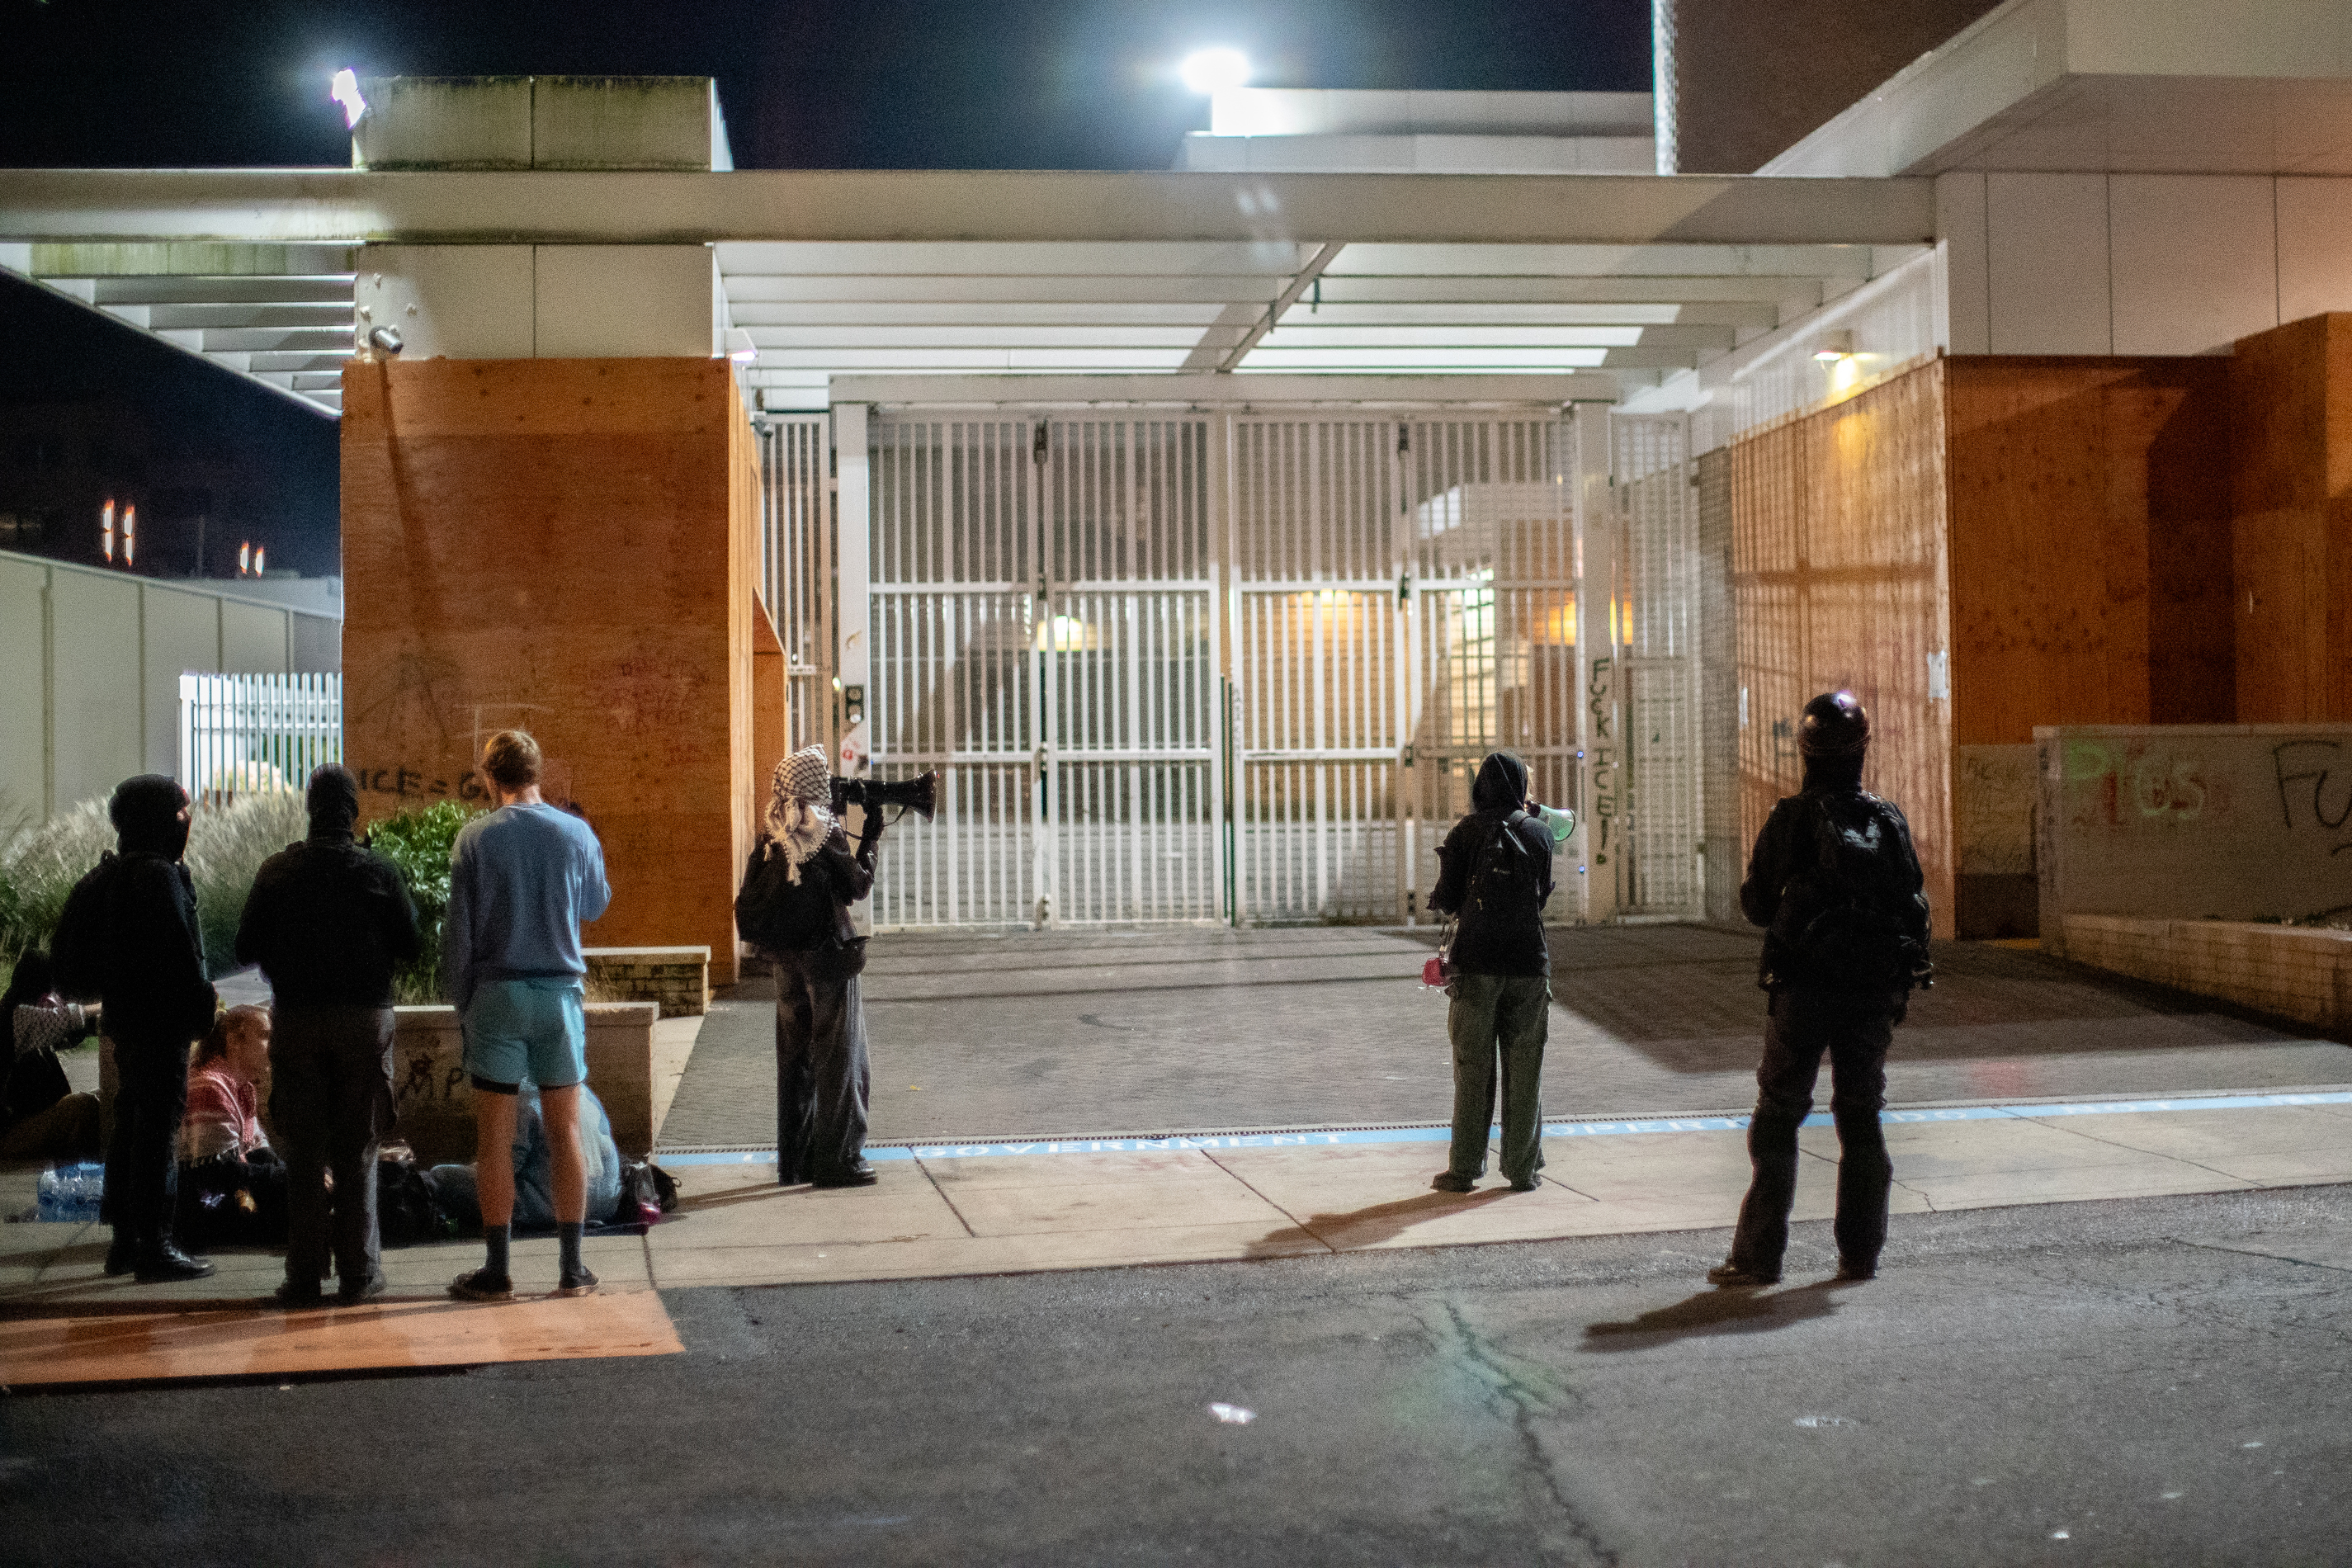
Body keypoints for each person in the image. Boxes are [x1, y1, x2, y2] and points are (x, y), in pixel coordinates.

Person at [1710, 690, 1932, 1289]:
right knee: (1861, 1115)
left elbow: (1757, 906)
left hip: (1804, 989)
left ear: (1805, 751)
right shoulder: (1888, 820)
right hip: (1871, 993)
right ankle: (1860, 1255)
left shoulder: (1792, 818)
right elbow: (1912, 898)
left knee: (1778, 1116)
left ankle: (1759, 1257)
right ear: (1862, 750)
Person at [234, 763, 422, 1306]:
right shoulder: (378, 871)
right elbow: (410, 944)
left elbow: (246, 948)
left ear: (310, 810)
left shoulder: (277, 871)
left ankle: (304, 1275)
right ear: (353, 812)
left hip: (296, 1019)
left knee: (303, 1151)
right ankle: (360, 1274)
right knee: (358, 1147)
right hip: (365, 1020)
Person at [443, 730, 611, 1301]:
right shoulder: (575, 833)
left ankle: (498, 1268)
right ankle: (572, 1267)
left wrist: (463, 1003)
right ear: (540, 774)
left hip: (497, 995)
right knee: (565, 1131)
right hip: (559, 996)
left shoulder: (475, 840)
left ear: (490, 777)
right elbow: (594, 905)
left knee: (495, 1138)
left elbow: (458, 938)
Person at [50, 775, 219, 1282]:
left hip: (125, 1022)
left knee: (131, 1123)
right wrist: (202, 1009)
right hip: (159, 1022)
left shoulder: (114, 875)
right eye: (180, 811)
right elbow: (183, 958)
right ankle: (156, 1244)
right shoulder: (159, 878)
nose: (186, 821)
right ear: (160, 819)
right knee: (156, 1129)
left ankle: (125, 1239)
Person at [735, 745, 883, 1188]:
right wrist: (870, 836)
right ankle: (839, 1160)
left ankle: (795, 1161)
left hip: (787, 962)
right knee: (839, 1059)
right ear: (814, 787)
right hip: (828, 961)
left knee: (795, 1060)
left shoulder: (772, 833)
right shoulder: (823, 832)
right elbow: (857, 886)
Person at [1424, 749, 1556, 1194]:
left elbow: (1445, 898)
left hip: (1476, 965)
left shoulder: (1464, 832)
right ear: (1521, 786)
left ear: (1480, 787)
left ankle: (1464, 1169)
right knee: (1525, 1071)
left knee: (1472, 1069)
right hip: (1528, 966)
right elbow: (1540, 900)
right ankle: (1522, 1170)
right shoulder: (1540, 834)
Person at [427, 1082, 626, 1230]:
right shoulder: (583, 1091)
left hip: (545, 1209)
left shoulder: (523, 1096)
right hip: (607, 1204)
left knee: (440, 1176)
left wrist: (473, 1169)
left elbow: (507, 1166)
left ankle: (450, 1228)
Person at [176, 1004, 290, 1249]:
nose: (274, 1045)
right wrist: (294, 1178)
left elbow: (259, 1151)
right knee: (299, 1212)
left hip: (229, 1192)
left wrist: (299, 1176)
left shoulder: (241, 1086)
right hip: (206, 1205)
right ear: (236, 1040)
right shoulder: (210, 1086)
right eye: (265, 1036)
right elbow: (217, 1171)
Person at [1, 950, 102, 1161]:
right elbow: (69, 1017)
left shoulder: (14, 1012)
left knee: (101, 1095)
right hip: (7, 1136)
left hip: (15, 1126)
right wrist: (112, 1005)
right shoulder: (18, 1017)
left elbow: (67, 1032)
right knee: (84, 1106)